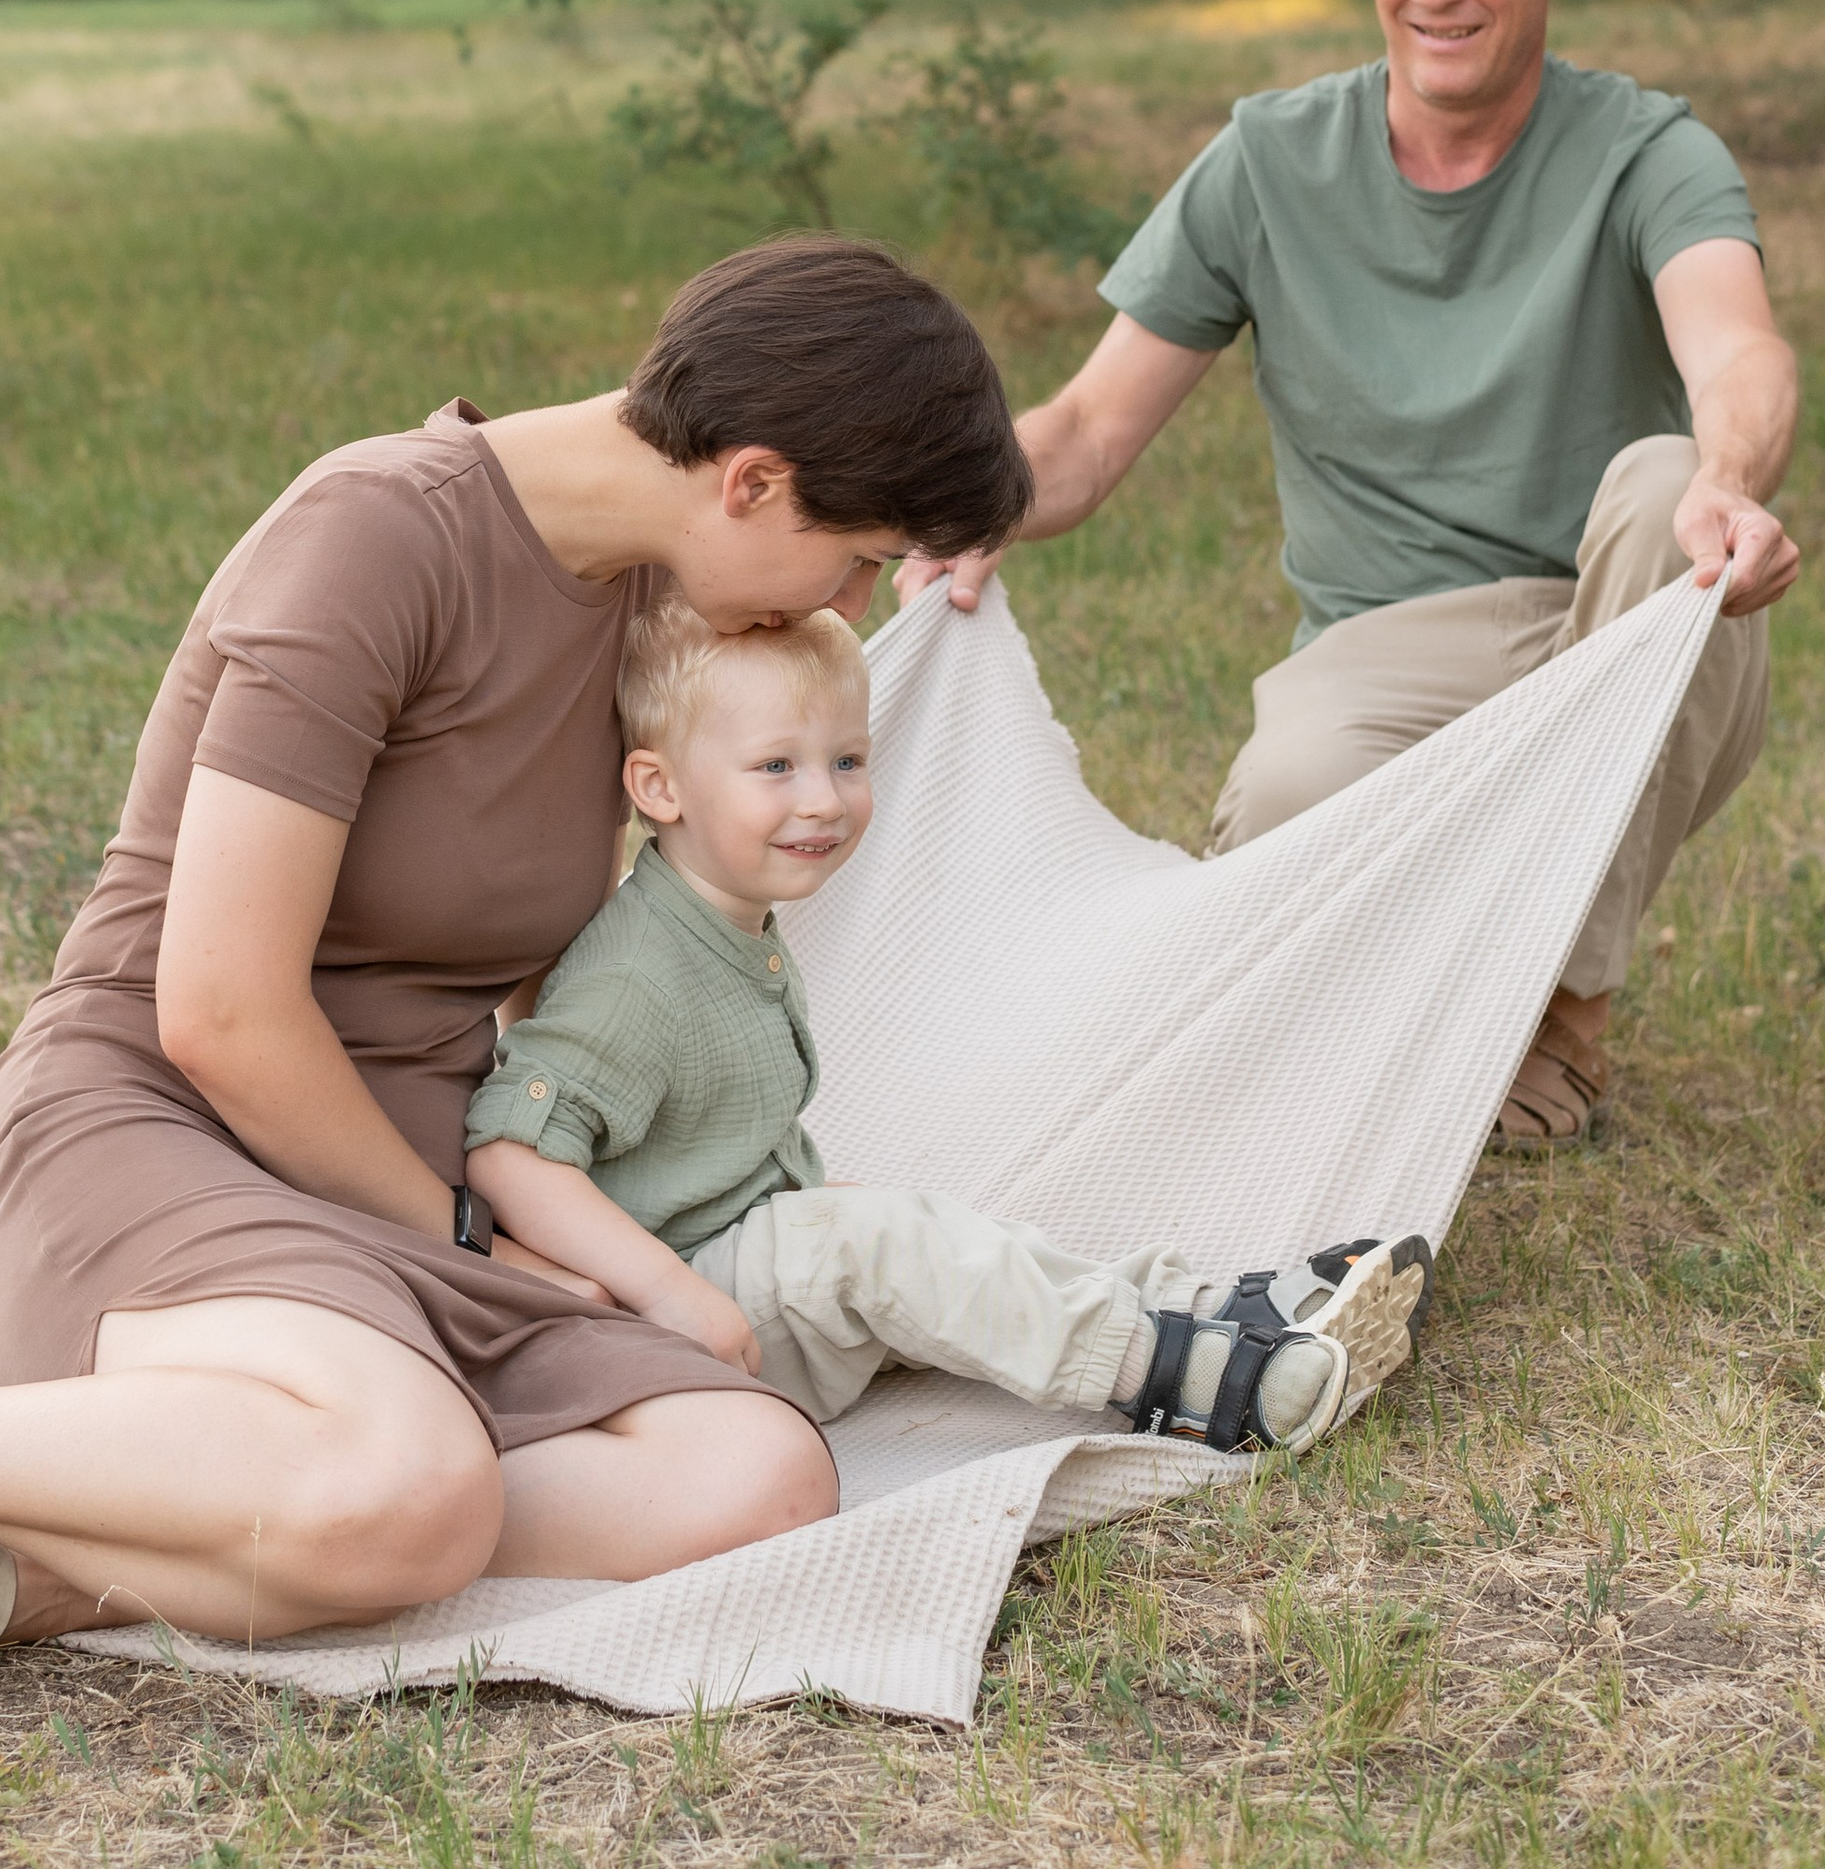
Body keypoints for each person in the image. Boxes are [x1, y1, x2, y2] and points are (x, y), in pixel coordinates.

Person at [0, 237, 1035, 1705]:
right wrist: (471, 1233)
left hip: (400, 1199)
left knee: (757, 1476)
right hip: (161, 1136)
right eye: (853, 556)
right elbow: (218, 1008)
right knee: (415, 1487)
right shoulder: (374, 535)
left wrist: (934, 601)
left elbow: (700, 852)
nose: (837, 603)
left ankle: (52, 1562)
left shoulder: (654, 602)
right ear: (753, 477)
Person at [903, 0, 1801, 1152]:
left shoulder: (1648, 150)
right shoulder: (1267, 158)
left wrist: (1729, 475)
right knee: (1273, 824)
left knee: (1660, 476)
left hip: (1626, 616)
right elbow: (1086, 431)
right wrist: (961, 505)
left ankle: (1564, 1005)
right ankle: (1442, 995)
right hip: (1395, 642)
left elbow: (1736, 345)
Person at [464, 597, 1433, 1449]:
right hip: (683, 1331)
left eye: (847, 758)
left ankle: (1200, 1309)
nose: (824, 798)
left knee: (946, 1240)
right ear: (659, 788)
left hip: (735, 1260)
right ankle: (1193, 1381)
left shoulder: (724, 922)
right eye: (775, 765)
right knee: (889, 1243)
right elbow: (507, 1151)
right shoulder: (637, 971)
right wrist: (670, 1294)